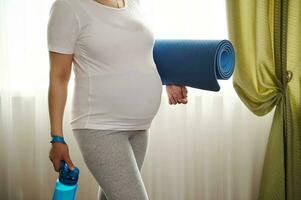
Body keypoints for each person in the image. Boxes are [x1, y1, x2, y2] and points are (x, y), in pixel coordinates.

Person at [47, 0, 188, 199]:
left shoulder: (133, 3)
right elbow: (59, 77)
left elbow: (142, 51)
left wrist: (168, 79)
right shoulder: (69, 6)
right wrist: (57, 138)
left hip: (140, 127)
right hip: (99, 127)